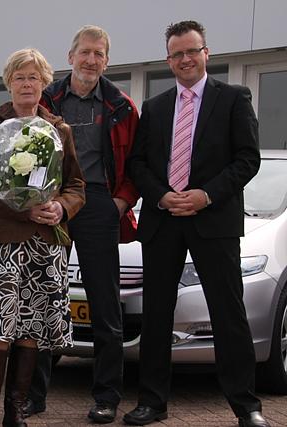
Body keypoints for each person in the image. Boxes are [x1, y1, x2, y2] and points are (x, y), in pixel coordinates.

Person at [123, 20, 269, 427]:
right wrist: (160, 195)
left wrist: (206, 195)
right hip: (163, 220)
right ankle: (152, 402)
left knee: (228, 313)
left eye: (192, 51)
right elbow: (138, 163)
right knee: (156, 314)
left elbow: (248, 159)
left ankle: (246, 406)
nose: (185, 59)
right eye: (177, 54)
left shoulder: (234, 98)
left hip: (214, 221)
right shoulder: (155, 107)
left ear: (206, 53)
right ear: (168, 60)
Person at [24, 25, 139, 424]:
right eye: (85, 52)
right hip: (53, 203)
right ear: (70, 57)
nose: (91, 60)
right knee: (44, 297)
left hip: (98, 206)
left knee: (105, 305)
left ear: (107, 61)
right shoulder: (47, 99)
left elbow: (137, 162)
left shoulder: (122, 106)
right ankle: (33, 395)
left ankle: (106, 397)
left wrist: (120, 204)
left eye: (99, 54)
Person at [0, 48, 86, 427]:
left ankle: (16, 414)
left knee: (30, 330)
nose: (27, 84)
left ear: (45, 83)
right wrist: (22, 210)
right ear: (9, 83)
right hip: (2, 242)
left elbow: (76, 185)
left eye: (34, 77)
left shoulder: (59, 130)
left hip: (44, 244)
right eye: (20, 77)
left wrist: (61, 207)